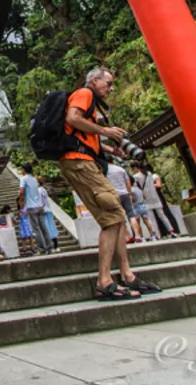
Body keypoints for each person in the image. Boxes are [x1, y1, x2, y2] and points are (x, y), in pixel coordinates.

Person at [58, 67, 161, 300]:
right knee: (113, 213)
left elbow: (80, 135)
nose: (111, 88)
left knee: (116, 216)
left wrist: (108, 147)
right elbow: (72, 118)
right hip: (79, 163)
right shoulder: (84, 94)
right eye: (109, 83)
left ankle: (127, 275)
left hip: (84, 160)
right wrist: (105, 130)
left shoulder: (89, 100)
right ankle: (104, 281)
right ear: (95, 80)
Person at [132, 162, 175, 239]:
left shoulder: (136, 177)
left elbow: (136, 188)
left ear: (136, 168)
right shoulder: (149, 174)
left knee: (151, 219)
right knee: (162, 216)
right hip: (155, 198)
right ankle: (171, 231)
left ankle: (156, 235)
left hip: (146, 200)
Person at [18, 163, 52, 254]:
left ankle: (42, 249)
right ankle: (49, 248)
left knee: (36, 229)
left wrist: (20, 200)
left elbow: (21, 192)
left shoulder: (23, 179)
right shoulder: (34, 179)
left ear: (24, 170)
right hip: (40, 206)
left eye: (22, 169)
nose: (21, 171)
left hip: (31, 207)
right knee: (43, 228)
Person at [105, 158, 141, 243]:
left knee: (119, 217)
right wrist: (129, 193)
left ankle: (128, 236)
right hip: (125, 194)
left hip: (114, 195)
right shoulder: (120, 169)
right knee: (131, 215)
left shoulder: (105, 171)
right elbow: (128, 182)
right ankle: (137, 235)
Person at [37, 176, 61, 252]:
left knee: (46, 229)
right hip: (48, 211)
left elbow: (40, 203)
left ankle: (49, 247)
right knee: (51, 228)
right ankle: (56, 246)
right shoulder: (43, 190)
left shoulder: (38, 191)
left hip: (43, 212)